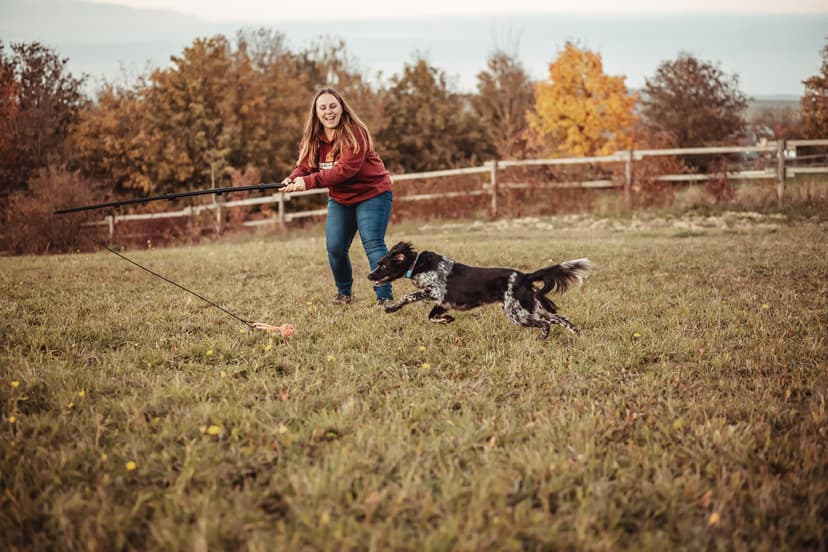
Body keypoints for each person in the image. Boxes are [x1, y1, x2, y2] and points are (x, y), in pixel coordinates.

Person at [281, 88, 394, 306]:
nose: (328, 111)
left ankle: (385, 297)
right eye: (322, 108)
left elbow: (345, 171)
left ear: (341, 107)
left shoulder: (355, 133)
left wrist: (307, 182)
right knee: (335, 247)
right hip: (341, 199)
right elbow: (305, 166)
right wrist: (292, 178)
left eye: (333, 106)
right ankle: (344, 294)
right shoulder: (312, 138)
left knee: (373, 243)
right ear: (316, 113)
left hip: (372, 193)